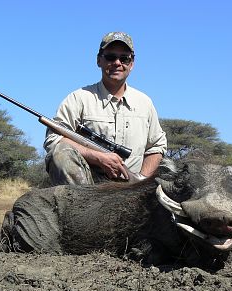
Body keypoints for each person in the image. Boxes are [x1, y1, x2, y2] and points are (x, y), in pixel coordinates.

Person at [44, 31, 167, 185]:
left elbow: (157, 146)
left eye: (124, 58)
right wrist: (98, 157)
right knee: (60, 153)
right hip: (87, 188)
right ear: (99, 60)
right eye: (110, 57)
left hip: (132, 189)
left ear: (132, 64)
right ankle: (81, 206)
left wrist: (141, 180)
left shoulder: (145, 103)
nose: (117, 63)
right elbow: (54, 139)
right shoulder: (78, 98)